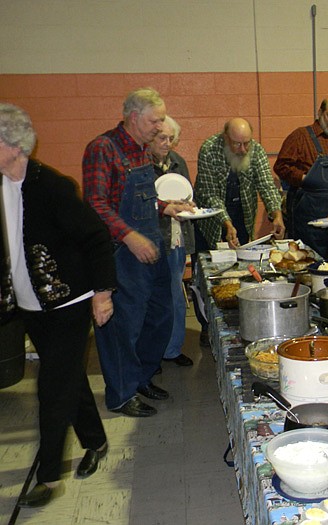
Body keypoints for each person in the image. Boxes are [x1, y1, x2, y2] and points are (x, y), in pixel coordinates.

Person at [0, 104, 114, 507]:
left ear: (14, 146)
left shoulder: (51, 187)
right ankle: (97, 442)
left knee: (51, 390)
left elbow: (97, 238)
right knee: (68, 379)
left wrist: (102, 293)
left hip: (68, 302)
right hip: (31, 306)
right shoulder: (1, 186)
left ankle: (48, 476)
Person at [83, 88, 194, 417]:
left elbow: (144, 198)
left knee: (160, 317)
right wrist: (130, 235)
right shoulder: (103, 149)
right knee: (123, 326)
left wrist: (165, 207)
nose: (160, 127)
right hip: (121, 252)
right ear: (133, 117)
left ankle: (142, 377)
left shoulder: (142, 153)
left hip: (152, 247)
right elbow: (96, 204)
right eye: (155, 121)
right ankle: (121, 393)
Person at [274, 97, 328, 258]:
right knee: (308, 263)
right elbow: (280, 166)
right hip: (308, 220)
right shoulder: (301, 136)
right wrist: (304, 179)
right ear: (320, 113)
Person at [194, 117, 284, 250]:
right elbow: (210, 194)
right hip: (210, 220)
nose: (243, 149)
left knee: (240, 262)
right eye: (237, 144)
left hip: (242, 215)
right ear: (226, 138)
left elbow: (267, 186)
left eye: (247, 143)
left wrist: (277, 214)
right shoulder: (209, 150)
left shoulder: (256, 150)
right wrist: (227, 224)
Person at [149, 115, 194, 366]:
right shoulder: (142, 165)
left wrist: (189, 207)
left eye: (171, 139)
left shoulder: (177, 162)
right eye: (162, 138)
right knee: (155, 300)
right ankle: (152, 355)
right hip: (153, 240)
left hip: (177, 239)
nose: (167, 143)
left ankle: (173, 349)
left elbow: (188, 195)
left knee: (176, 294)